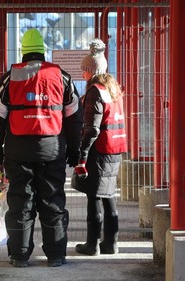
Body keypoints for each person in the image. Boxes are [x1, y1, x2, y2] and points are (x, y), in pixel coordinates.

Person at [0, 28, 83, 267]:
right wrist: (74, 149)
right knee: (53, 202)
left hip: (18, 152)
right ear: (43, 50)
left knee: (20, 202)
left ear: (23, 52)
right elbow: (74, 116)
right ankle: (56, 256)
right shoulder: (61, 76)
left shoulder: (11, 78)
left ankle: (19, 256)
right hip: (53, 150)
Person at [74, 39, 127, 256]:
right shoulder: (112, 88)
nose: (83, 75)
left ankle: (92, 244)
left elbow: (91, 129)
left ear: (91, 71)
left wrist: (82, 156)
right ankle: (111, 243)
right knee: (108, 195)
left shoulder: (95, 92)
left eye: (84, 71)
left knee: (94, 195)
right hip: (115, 148)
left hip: (99, 150)